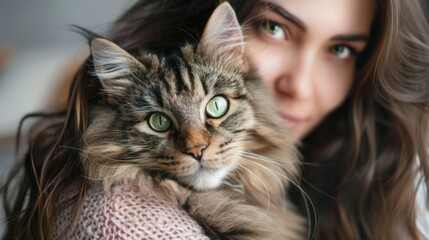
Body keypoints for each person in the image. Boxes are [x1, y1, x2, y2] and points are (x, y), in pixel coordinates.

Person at [2, 0, 429, 239]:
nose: (196, 143)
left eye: (341, 49)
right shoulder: (130, 223)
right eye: (275, 28)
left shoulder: (341, 169)